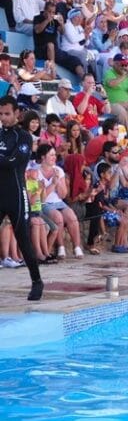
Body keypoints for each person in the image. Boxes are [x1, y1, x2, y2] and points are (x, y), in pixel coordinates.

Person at [0, 96, 44, 300]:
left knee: (23, 240)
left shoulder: (24, 136)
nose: (3, 118)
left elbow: (13, 161)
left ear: (17, 113)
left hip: (16, 194)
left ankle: (37, 281)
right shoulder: (1, 134)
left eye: (7, 114)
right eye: (0, 114)